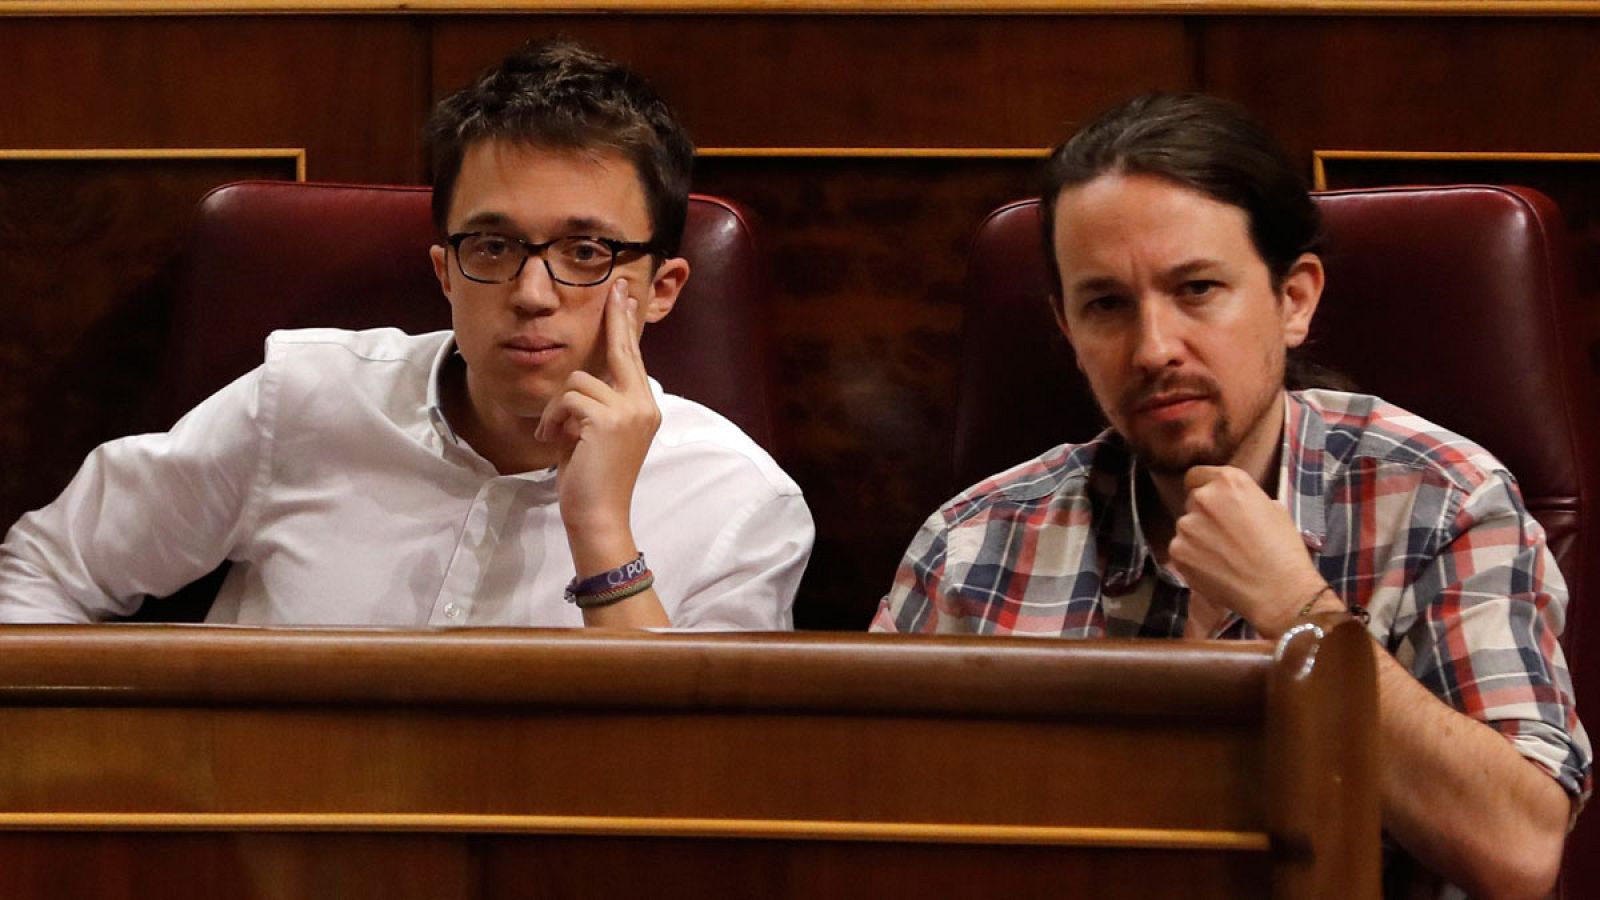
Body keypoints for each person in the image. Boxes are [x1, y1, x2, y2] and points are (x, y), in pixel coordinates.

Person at [873, 93, 1588, 899]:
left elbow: (1519, 852)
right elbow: (867, 838)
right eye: (1106, 305)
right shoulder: (973, 546)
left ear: (1295, 299)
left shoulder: (1443, 502)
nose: (1153, 349)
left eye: (1197, 289)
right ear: (1067, 331)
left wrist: (1304, 614)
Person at [0, 38, 812, 630]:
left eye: (586, 252)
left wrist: (601, 532)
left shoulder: (741, 506)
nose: (533, 294)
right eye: (492, 246)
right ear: (445, 273)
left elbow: (686, 783)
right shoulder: (301, 402)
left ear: (661, 288)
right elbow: (43, 572)